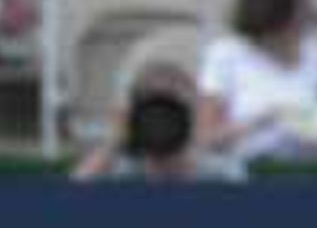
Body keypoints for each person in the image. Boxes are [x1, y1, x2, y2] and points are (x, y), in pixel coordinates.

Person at [197, 0, 317, 162]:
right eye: (303, 3)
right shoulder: (225, 56)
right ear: (276, 6)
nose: (312, 10)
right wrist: (267, 119)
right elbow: (206, 139)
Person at [72, 61, 247, 180]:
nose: (163, 121)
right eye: (153, 110)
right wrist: (115, 140)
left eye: (173, 108)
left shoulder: (221, 172)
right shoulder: (121, 172)